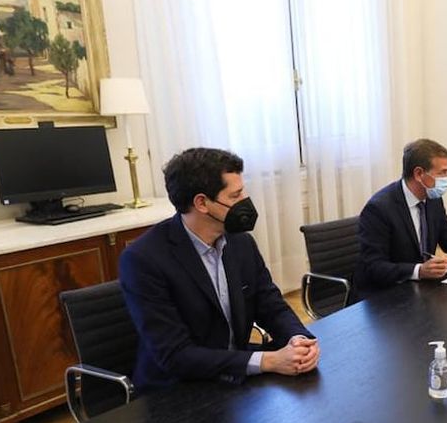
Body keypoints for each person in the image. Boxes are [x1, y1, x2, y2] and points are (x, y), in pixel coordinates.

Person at [120, 148, 318, 392]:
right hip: (177, 391)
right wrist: (268, 361)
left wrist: (298, 339)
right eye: (235, 196)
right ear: (202, 203)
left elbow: (271, 304)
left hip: (235, 376)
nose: (245, 201)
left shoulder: (240, 242)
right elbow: (175, 356)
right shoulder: (143, 260)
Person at [354, 139, 447, 296]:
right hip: (382, 296)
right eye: (442, 172)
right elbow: (374, 267)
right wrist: (419, 270)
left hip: (418, 290)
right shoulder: (379, 209)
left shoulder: (432, 197)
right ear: (419, 174)